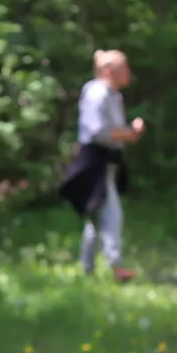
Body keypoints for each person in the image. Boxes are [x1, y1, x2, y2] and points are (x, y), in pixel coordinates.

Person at [59, 49, 145, 281]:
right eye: (123, 68)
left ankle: (87, 269)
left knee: (96, 217)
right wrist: (129, 133)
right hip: (95, 161)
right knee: (111, 213)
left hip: (107, 160)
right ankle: (116, 267)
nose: (128, 73)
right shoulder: (97, 92)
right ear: (108, 70)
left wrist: (128, 134)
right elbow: (98, 131)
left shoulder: (113, 95)